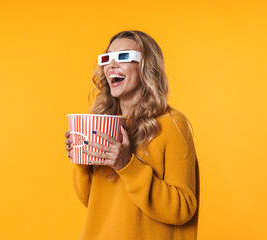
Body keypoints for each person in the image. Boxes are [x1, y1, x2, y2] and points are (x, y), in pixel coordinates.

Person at [64, 30, 199, 240]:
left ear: (147, 67)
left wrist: (127, 165)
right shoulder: (103, 125)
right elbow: (91, 202)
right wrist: (81, 160)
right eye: (107, 58)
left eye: (124, 57)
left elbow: (183, 208)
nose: (112, 65)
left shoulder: (171, 124)